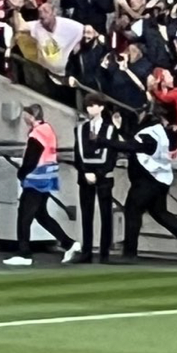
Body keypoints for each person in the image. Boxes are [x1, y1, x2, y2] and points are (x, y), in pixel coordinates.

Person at [121, 106, 177, 262]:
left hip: (148, 180)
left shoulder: (150, 133)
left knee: (133, 211)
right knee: (161, 214)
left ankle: (129, 252)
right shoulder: (158, 133)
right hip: (159, 178)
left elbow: (133, 146)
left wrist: (103, 141)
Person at [3, 105, 75, 267]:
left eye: (25, 115)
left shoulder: (36, 134)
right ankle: (68, 243)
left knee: (24, 216)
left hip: (35, 179)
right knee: (41, 215)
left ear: (30, 116)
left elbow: (31, 159)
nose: (23, 118)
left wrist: (21, 174)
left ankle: (24, 253)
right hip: (48, 177)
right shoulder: (47, 129)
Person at [72, 95, 118, 264]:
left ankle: (104, 252)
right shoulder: (80, 129)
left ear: (101, 108)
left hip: (104, 176)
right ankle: (87, 252)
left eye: (94, 106)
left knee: (106, 215)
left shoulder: (110, 129)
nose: (90, 109)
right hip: (85, 176)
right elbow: (77, 154)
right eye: (88, 106)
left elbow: (112, 156)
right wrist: (85, 172)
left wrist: (98, 174)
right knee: (86, 214)